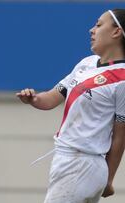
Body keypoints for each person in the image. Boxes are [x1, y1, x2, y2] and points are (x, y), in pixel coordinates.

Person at [17, 9, 125, 203]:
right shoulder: (87, 63)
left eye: (99, 25)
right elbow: (50, 99)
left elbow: (120, 134)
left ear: (116, 32)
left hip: (82, 164)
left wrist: (109, 179)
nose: (91, 30)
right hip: (66, 161)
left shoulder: (123, 78)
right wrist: (33, 99)